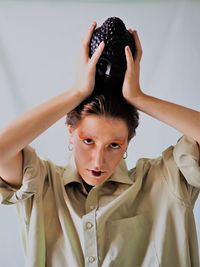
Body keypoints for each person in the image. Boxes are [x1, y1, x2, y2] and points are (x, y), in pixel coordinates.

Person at [0, 21, 199, 267]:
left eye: (114, 145)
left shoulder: (165, 180)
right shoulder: (41, 186)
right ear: (70, 133)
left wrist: (139, 98)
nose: (98, 160)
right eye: (88, 141)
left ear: (128, 142)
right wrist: (76, 92)